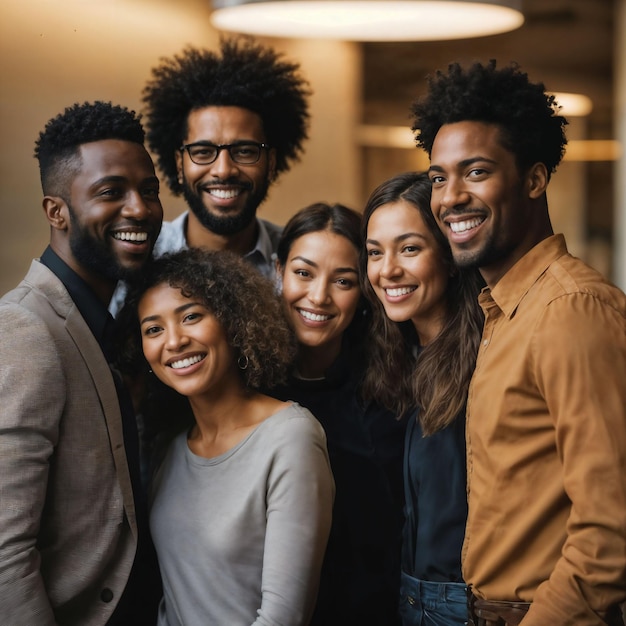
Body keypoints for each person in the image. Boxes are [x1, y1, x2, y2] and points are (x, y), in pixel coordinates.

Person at [411, 60, 626, 626]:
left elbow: (610, 530)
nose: (450, 197)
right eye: (438, 178)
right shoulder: (501, 310)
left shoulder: (570, 311)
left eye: (475, 172)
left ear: (533, 180)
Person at [0, 101, 163, 624]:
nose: (139, 208)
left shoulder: (110, 316)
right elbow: (5, 553)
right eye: (111, 192)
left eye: (150, 190)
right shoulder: (25, 328)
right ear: (56, 211)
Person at [120, 247, 334, 626]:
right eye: (154, 329)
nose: (174, 341)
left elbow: (284, 617)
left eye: (191, 317)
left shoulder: (291, 437)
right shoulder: (169, 447)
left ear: (232, 321)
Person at [269, 202, 406, 625]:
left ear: (364, 289)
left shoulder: (392, 390)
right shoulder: (244, 383)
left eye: (343, 280)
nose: (318, 296)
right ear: (279, 272)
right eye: (304, 273)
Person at [109, 37, 310, 315]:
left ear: (271, 162)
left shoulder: (299, 259)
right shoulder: (139, 253)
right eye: (203, 151)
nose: (224, 169)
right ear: (179, 164)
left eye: (244, 150)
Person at [361, 171, 484, 625]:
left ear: (450, 258)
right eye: (375, 253)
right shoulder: (400, 358)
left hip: (467, 605)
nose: (387, 270)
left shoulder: (486, 359)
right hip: (409, 598)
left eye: (409, 248)